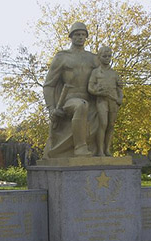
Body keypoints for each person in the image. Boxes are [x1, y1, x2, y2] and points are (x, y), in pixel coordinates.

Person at [42, 22, 99, 159]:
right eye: (77, 34)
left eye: (83, 35)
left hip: (90, 98)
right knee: (80, 105)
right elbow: (49, 85)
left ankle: (103, 150)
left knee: (104, 112)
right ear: (71, 37)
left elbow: (102, 77)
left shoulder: (93, 59)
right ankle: (80, 148)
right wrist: (51, 108)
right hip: (69, 100)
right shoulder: (62, 57)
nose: (80, 37)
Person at [88, 46, 123, 156]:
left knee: (111, 125)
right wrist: (98, 92)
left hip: (113, 101)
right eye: (104, 56)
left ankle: (107, 149)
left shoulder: (114, 73)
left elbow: (120, 88)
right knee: (103, 123)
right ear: (99, 57)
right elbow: (90, 87)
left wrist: (120, 98)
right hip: (101, 100)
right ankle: (100, 150)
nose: (107, 58)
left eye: (109, 56)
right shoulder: (95, 72)